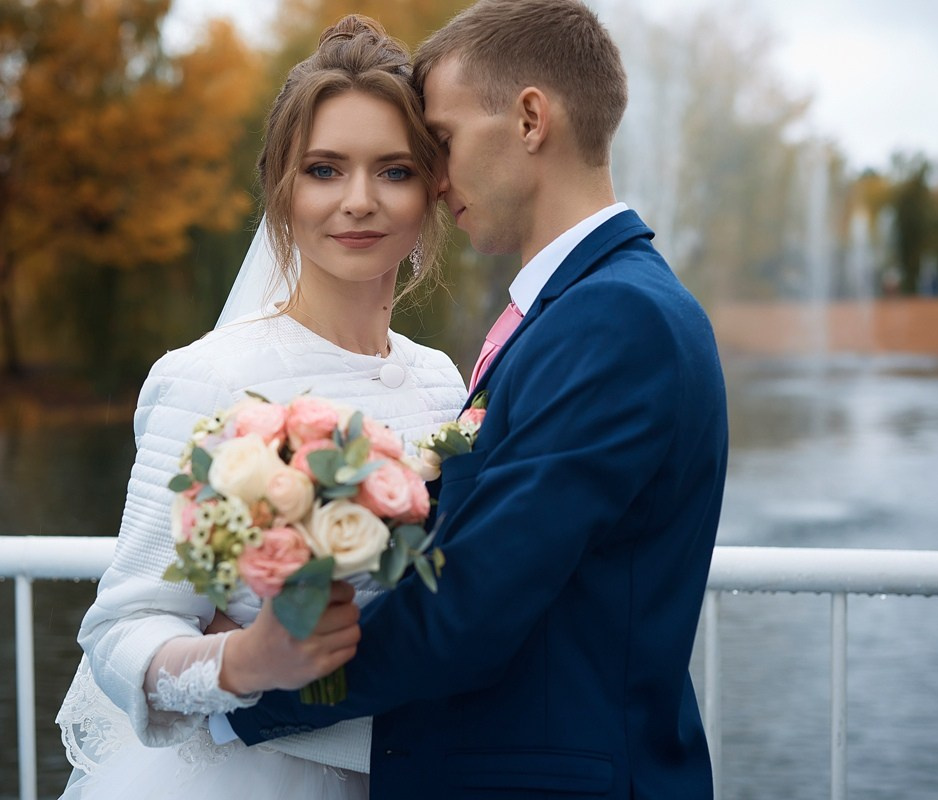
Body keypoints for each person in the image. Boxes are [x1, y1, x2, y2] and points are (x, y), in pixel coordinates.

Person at [220, 1, 729, 798]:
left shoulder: (612, 317)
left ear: (530, 118)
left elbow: (470, 610)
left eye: (443, 143)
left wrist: (246, 689)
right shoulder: (586, 306)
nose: (437, 179)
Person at [54, 16, 467, 799]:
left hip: (407, 769)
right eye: (323, 169)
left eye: (394, 171)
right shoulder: (208, 377)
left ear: (432, 189)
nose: (358, 201)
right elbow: (121, 631)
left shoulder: (444, 383)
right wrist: (242, 663)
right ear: (281, 186)